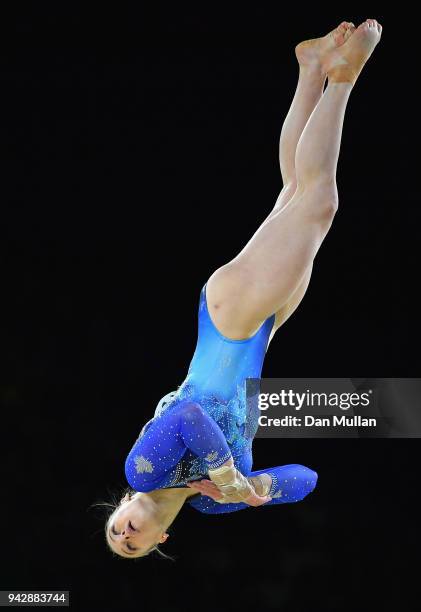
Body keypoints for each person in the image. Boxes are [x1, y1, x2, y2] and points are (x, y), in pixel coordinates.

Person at [104, 18, 382, 558]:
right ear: (164, 539)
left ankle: (343, 77)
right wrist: (253, 490)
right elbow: (306, 478)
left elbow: (188, 419)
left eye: (116, 530)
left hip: (228, 320)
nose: (125, 534)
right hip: (262, 329)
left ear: (119, 507)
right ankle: (310, 67)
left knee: (319, 205)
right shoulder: (213, 504)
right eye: (133, 547)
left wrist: (228, 473)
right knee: (297, 193)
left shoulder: (142, 467)